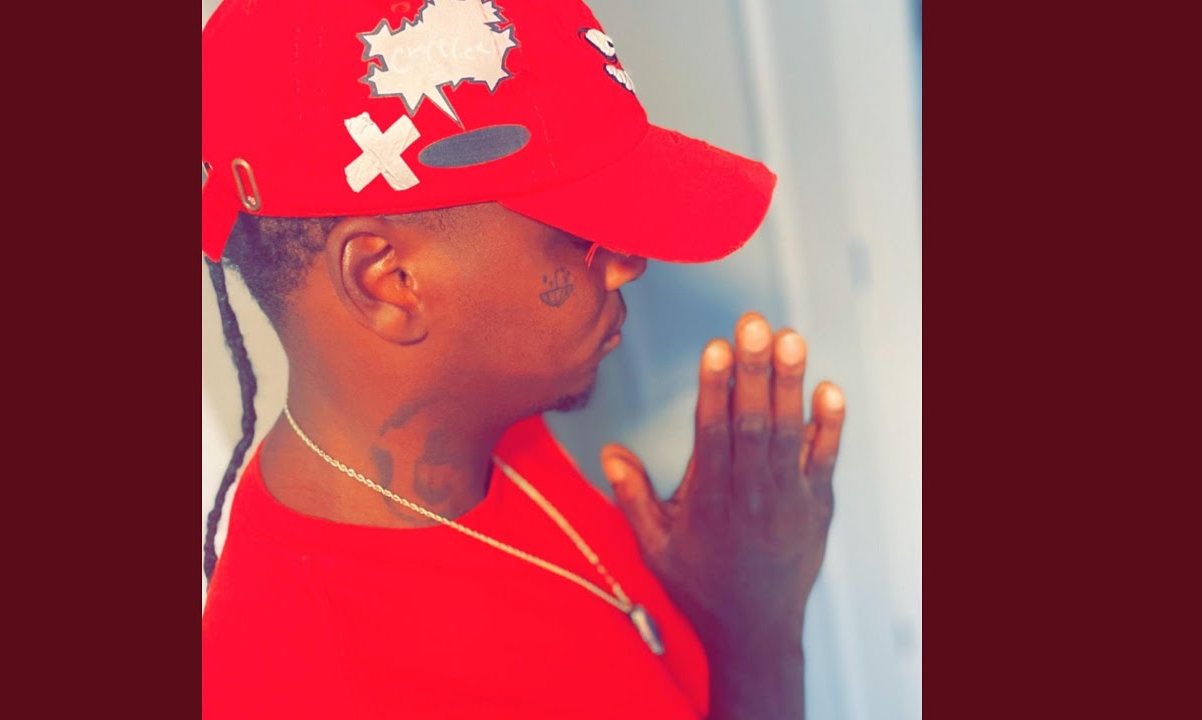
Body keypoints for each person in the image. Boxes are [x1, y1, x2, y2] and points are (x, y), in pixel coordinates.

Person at [201, 1, 846, 718]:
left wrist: (712, 613)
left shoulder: (483, 427)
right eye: (582, 229)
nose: (631, 261)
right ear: (390, 279)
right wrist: (759, 636)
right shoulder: (309, 687)